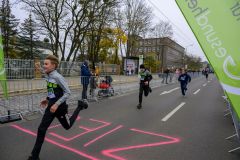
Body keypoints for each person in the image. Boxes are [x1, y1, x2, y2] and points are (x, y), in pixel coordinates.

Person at [28, 55, 88, 160]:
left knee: (67, 126)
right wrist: (47, 99)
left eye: (46, 64)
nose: (43, 66)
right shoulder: (48, 76)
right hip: (51, 106)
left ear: (53, 66)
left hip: (60, 107)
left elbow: (67, 92)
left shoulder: (58, 77)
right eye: (43, 64)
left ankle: (79, 106)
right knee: (41, 129)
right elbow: (53, 90)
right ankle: (35, 156)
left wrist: (57, 103)